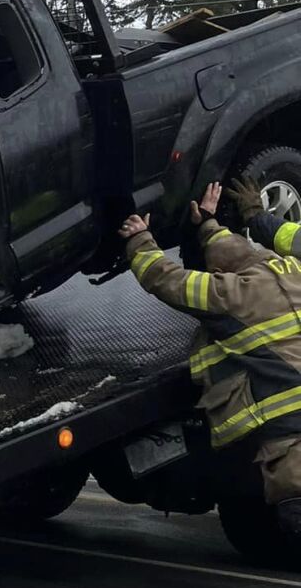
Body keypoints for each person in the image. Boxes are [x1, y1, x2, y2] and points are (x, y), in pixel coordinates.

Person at [119, 181, 301, 539]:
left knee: (291, 485)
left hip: (282, 435)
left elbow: (167, 280)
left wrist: (139, 239)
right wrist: (210, 225)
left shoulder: (230, 295)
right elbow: (241, 253)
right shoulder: (295, 275)